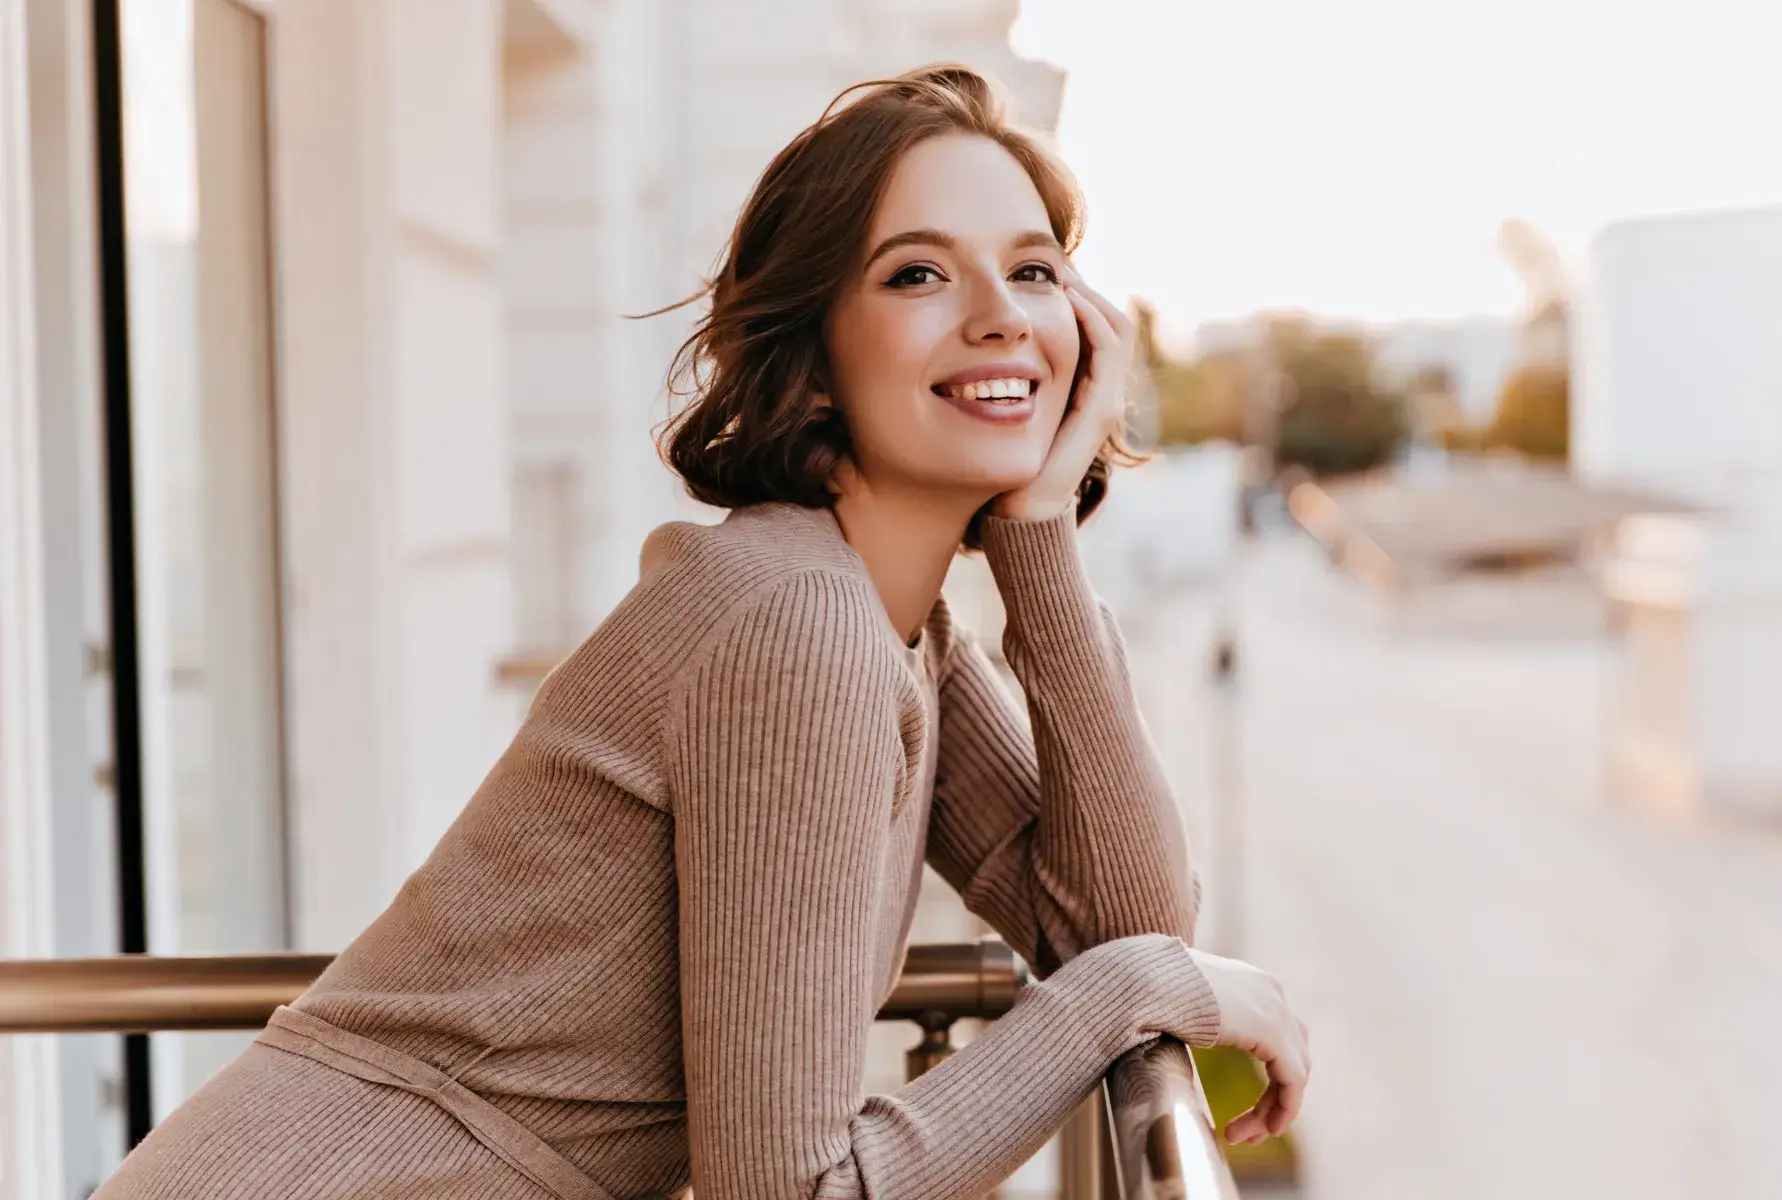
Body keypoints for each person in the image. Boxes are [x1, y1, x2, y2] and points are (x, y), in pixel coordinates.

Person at [96, 64, 1309, 1200]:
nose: (999, 317)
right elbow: (795, 1188)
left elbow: (1122, 917)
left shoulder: (889, 623)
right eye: (918, 275)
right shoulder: (797, 627)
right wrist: (1130, 995)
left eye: (1035, 272)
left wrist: (1041, 532)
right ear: (816, 358)